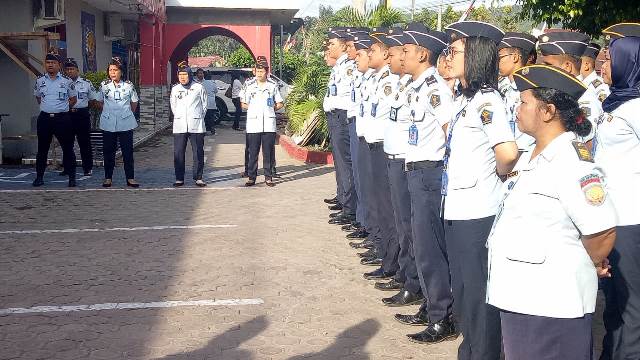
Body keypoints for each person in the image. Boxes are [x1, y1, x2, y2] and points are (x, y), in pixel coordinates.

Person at [486, 64, 617, 359]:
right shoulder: (531, 156)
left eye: (524, 102)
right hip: (521, 296)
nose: (517, 109)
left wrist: (586, 263)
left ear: (547, 112)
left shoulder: (572, 163)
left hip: (552, 303)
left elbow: (602, 232)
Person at [443, 21, 518, 360]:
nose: (450, 56)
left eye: (456, 51)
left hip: (477, 211)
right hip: (457, 207)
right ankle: (470, 351)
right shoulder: (466, 99)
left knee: (478, 295)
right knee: (463, 292)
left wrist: (497, 176)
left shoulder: (488, 101)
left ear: (474, 55)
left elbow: (507, 153)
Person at [389, 23, 458, 344]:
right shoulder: (417, 86)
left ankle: (441, 317)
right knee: (420, 243)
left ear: (422, 53)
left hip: (430, 173)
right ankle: (431, 304)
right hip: (415, 171)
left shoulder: (434, 89)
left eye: (406, 50)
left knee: (430, 247)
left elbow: (450, 130)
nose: (401, 55)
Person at [597, 22, 640, 360]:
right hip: (610, 212)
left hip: (630, 214)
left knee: (631, 303)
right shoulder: (615, 103)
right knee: (613, 297)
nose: (603, 65)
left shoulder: (637, 107)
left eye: (610, 60)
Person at [359, 27, 401, 282]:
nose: (366, 54)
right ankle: (384, 252)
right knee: (378, 203)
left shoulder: (391, 81)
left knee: (388, 209)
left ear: (386, 54)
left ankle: (391, 259)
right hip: (374, 144)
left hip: (386, 148)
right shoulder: (376, 79)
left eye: (372, 50)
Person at [538, 31, 603, 144]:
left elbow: (583, 139)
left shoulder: (584, 100)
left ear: (567, 66)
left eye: (549, 65)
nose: (544, 69)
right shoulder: (557, 93)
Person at [326, 27, 358, 227]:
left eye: (332, 43)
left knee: (346, 164)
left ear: (344, 45)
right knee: (340, 163)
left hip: (343, 117)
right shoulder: (339, 66)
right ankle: (342, 197)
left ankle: (349, 206)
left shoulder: (349, 67)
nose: (329, 47)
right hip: (335, 117)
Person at [32, 52, 78, 187]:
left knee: (68, 148)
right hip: (45, 119)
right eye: (48, 63)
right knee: (42, 150)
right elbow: (38, 98)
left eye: (53, 63)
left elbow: (73, 100)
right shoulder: (40, 81)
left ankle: (72, 178)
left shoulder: (67, 81)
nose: (50, 65)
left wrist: (61, 108)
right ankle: (39, 177)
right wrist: (49, 107)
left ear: (59, 65)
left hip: (62, 119)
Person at [95, 57, 140, 188]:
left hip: (125, 123)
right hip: (108, 123)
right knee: (108, 151)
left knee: (127, 152)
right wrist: (108, 111)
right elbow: (98, 101)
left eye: (115, 70)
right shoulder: (104, 85)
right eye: (110, 70)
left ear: (121, 71)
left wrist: (126, 113)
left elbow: (134, 102)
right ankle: (108, 178)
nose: (112, 72)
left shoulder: (129, 85)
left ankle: (130, 178)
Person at [240, 59, 283, 187]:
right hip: (254, 123)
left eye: (261, 71)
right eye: (257, 71)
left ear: (266, 72)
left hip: (268, 123)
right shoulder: (249, 84)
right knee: (253, 152)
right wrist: (254, 109)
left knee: (268, 152)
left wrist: (270, 109)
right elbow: (243, 103)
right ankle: (252, 177)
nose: (259, 74)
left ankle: (268, 177)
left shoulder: (272, 85)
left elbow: (280, 102)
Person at [497, 32, 538, 150]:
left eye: (500, 57)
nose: (497, 62)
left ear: (515, 57)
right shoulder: (502, 86)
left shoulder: (531, 89)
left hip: (524, 154)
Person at [170, 62, 208, 187]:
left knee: (198, 152)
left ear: (190, 75)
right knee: (178, 152)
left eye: (185, 74)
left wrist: (196, 116)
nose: (182, 77)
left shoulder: (199, 87)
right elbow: (173, 106)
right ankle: (179, 178)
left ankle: (198, 177)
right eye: (180, 74)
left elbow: (204, 105)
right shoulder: (175, 89)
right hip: (180, 125)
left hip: (196, 124)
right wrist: (181, 117)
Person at [63, 58, 96, 177]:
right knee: (67, 143)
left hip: (82, 115)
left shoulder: (86, 83)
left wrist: (85, 109)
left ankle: (87, 168)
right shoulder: (62, 83)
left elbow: (92, 100)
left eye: (72, 69)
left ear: (77, 70)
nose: (70, 71)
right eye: (67, 69)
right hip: (67, 115)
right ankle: (67, 168)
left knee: (84, 143)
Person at [194, 68, 219, 135]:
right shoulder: (195, 83)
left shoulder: (209, 83)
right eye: (199, 73)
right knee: (204, 118)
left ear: (204, 74)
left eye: (201, 73)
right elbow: (216, 91)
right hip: (201, 103)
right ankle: (207, 130)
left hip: (209, 103)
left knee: (209, 118)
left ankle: (210, 130)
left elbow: (216, 90)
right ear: (196, 75)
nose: (200, 75)